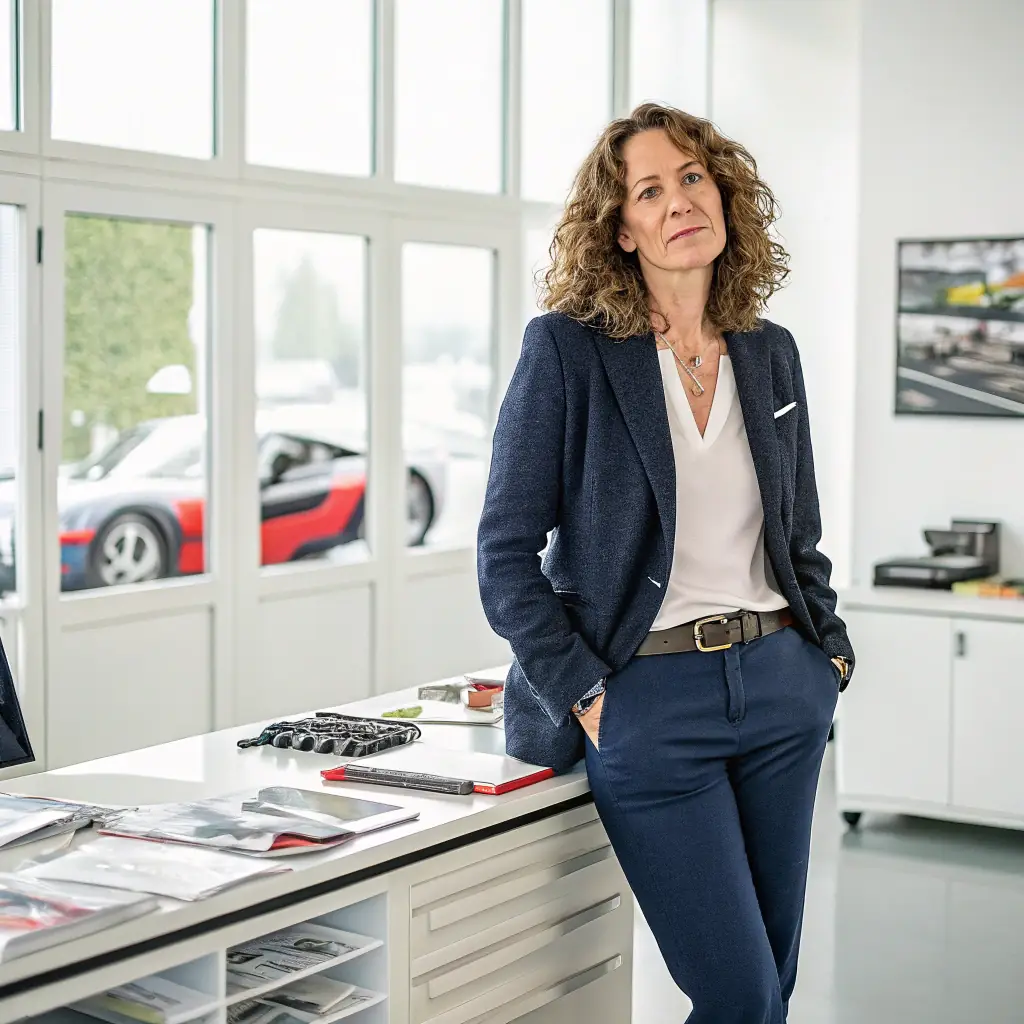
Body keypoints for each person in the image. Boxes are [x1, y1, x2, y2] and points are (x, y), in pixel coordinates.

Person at [476, 103, 855, 1023]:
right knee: (739, 995)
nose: (680, 200)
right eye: (650, 191)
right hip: (649, 702)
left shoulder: (770, 353)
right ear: (622, 229)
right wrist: (586, 692)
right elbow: (503, 553)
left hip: (781, 687)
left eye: (692, 178)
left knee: (769, 988)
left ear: (724, 197)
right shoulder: (569, 351)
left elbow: (797, 532)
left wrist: (829, 657)